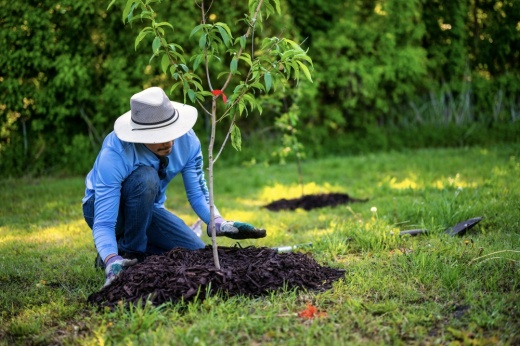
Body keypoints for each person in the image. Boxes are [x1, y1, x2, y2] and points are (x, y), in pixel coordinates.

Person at [82, 86, 266, 288]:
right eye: (158, 135)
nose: (169, 141)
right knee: (146, 177)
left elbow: (198, 193)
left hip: (148, 209)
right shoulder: (116, 152)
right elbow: (104, 222)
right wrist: (111, 259)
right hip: (103, 209)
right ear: (140, 135)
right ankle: (125, 254)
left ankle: (122, 249)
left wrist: (218, 222)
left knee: (194, 251)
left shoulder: (187, 141)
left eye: (171, 132)